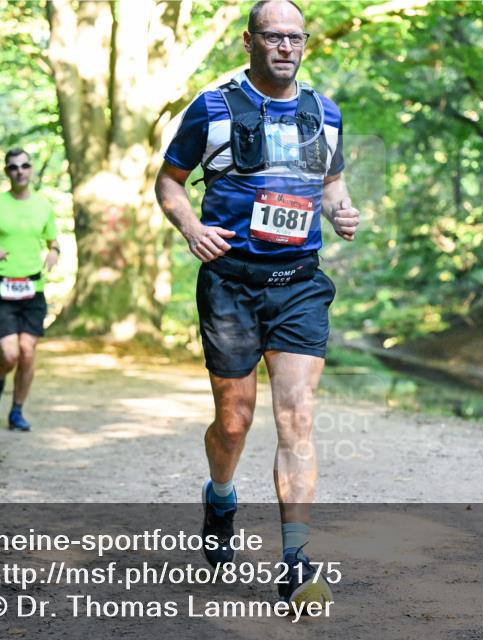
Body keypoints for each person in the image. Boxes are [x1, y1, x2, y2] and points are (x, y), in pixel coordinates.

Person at [155, 0, 360, 608]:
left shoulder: (324, 112)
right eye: (273, 37)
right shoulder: (212, 107)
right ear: (249, 42)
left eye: (295, 38)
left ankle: (295, 560)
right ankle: (220, 497)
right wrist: (191, 227)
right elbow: (169, 181)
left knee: (296, 417)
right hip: (230, 284)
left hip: (298, 282)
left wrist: (340, 208)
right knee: (236, 420)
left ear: (305, 44)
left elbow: (330, 181)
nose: (285, 48)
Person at [0, 148, 59, 432]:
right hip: (2, 289)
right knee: (9, 354)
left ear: (30, 170)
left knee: (27, 352)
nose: (19, 170)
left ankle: (17, 411)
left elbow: (53, 242)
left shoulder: (44, 206)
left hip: (33, 288)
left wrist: (54, 253)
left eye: (24, 165)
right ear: (7, 172)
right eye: (13, 167)